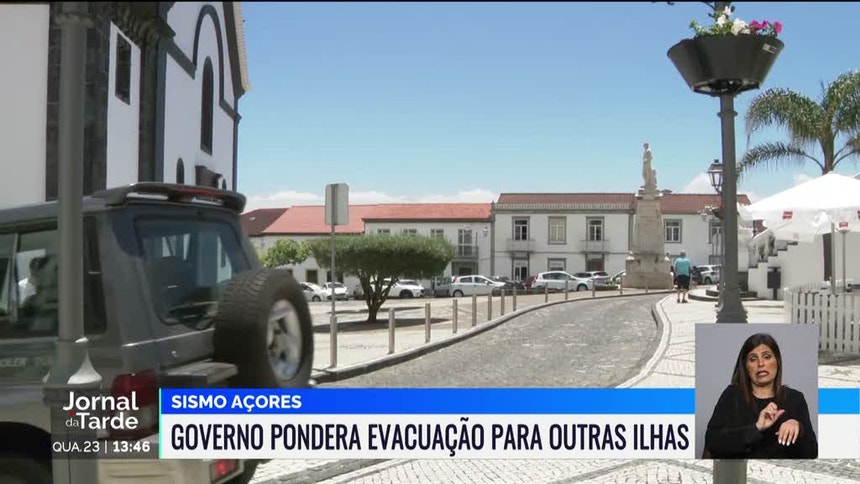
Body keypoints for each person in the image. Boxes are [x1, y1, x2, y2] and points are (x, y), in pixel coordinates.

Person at [703, 333, 818, 459]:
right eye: (753, 359)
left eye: (767, 357)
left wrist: (799, 428)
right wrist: (756, 428)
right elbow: (713, 442)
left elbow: (811, 453)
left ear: (777, 362)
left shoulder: (795, 399)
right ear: (746, 367)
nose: (761, 364)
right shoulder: (732, 395)